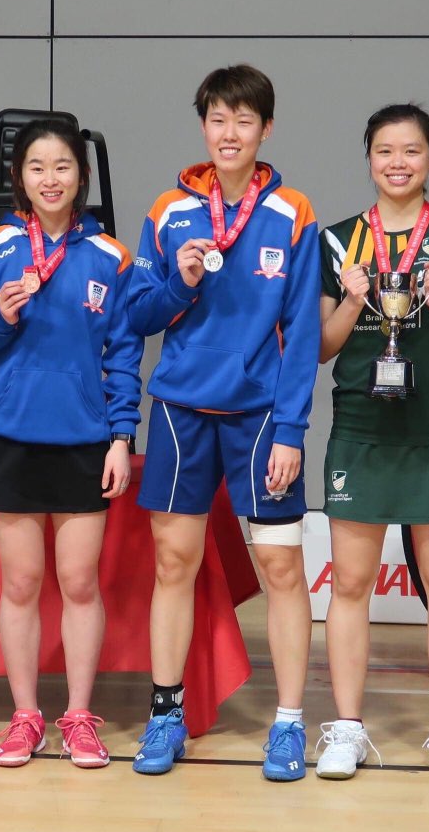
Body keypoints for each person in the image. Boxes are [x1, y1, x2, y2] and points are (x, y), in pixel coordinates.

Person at [127, 64, 321, 781]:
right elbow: (138, 316)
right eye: (217, 119)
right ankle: (165, 714)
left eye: (243, 120)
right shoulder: (168, 212)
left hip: (263, 415)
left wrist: (294, 430)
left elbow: (301, 331)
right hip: (180, 410)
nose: (229, 132)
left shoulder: (292, 212)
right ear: (202, 125)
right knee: (173, 563)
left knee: (279, 566)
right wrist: (176, 279)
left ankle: (289, 723)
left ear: (264, 129)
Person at [0, 118, 142, 769]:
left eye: (62, 166)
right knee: (23, 582)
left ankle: (79, 716)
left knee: (79, 581)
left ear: (80, 176)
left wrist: (121, 437)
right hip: (11, 435)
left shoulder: (110, 257)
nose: (49, 179)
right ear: (19, 178)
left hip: (84, 438)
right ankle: (25, 715)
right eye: (36, 167)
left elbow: (123, 354)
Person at [315, 103, 429, 784]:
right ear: (368, 157)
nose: (397, 162)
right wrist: (356, 300)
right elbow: (322, 349)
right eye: (385, 150)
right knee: (351, 585)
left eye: (411, 150)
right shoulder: (336, 241)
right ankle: (347, 729)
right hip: (360, 431)